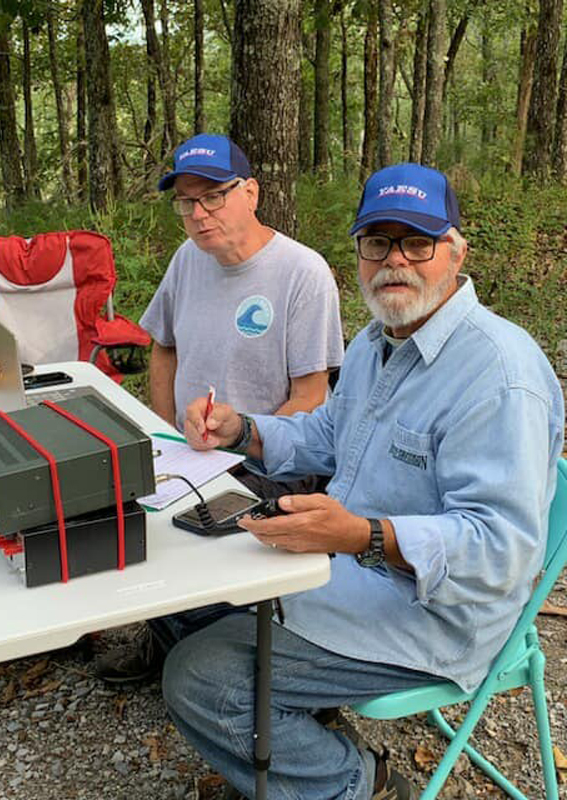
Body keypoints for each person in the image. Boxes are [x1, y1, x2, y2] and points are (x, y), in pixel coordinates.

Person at [160, 162, 564, 799]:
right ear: (358, 254)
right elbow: (326, 435)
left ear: (455, 250)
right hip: (348, 563)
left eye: (417, 243)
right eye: (377, 243)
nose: (394, 261)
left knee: (199, 678)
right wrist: (243, 430)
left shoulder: (498, 375)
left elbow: (502, 551)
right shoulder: (383, 340)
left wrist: (363, 536)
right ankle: (292, 724)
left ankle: (359, 782)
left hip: (433, 616)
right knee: (182, 589)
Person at [96, 133, 344, 684]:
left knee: (186, 534)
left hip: (269, 464)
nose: (199, 214)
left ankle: (222, 660)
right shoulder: (189, 260)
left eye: (214, 196)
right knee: (123, 505)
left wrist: (242, 444)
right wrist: (163, 431)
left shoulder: (303, 273)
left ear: (251, 192)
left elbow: (312, 398)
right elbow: (163, 345)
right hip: (188, 451)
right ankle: (168, 637)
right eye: (186, 202)